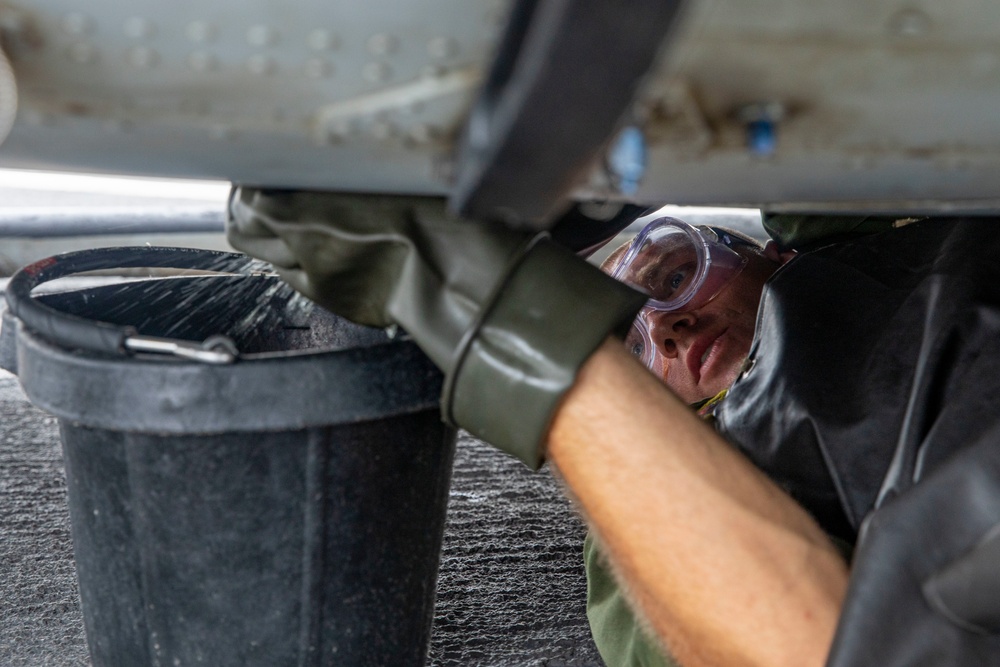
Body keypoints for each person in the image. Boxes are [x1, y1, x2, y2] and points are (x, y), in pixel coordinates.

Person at [227, 189, 1000, 666]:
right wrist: (509, 321)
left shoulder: (851, 230)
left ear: (767, 249)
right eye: (632, 347)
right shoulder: (662, 517)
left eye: (673, 275)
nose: (667, 328)